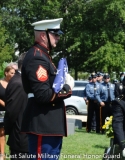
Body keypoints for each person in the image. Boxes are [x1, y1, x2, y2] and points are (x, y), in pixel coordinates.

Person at [21, 18, 72, 159]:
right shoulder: (37, 58)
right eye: (55, 34)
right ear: (43, 35)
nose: (58, 37)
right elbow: (44, 95)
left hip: (48, 125)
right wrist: (67, 87)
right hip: (42, 124)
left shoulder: (44, 56)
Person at [4, 53, 29, 160]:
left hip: (24, 137)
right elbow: (11, 112)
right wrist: (8, 130)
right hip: (20, 137)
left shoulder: (23, 81)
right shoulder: (19, 82)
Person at [0, 65, 15, 160]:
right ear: (6, 73)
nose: (14, 75)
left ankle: (13, 151)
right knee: (2, 132)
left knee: (13, 131)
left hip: (13, 110)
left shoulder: (15, 83)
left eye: (14, 73)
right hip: (1, 111)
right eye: (12, 73)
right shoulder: (0, 83)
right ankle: (2, 154)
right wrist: (5, 105)